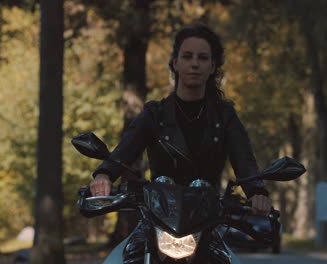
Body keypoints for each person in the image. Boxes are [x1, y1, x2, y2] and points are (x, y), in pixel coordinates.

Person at [89, 23, 271, 263]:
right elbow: (125, 149)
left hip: (207, 222)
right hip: (156, 219)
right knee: (114, 261)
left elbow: (244, 160)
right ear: (175, 63)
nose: (194, 63)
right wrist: (104, 175)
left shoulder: (225, 116)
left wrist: (257, 192)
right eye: (187, 56)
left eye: (202, 58)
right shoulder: (155, 113)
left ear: (212, 66)